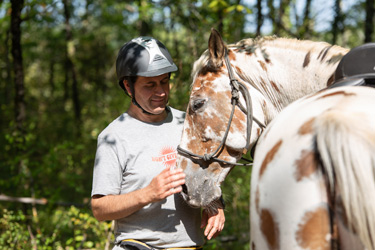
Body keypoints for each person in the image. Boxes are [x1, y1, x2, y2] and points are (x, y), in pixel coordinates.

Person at [91, 36, 225, 250]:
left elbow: (204, 176)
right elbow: (99, 208)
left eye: (164, 81)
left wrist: (214, 203)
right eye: (150, 85)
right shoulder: (113, 137)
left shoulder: (188, 124)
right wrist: (148, 193)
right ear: (128, 86)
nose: (161, 92)